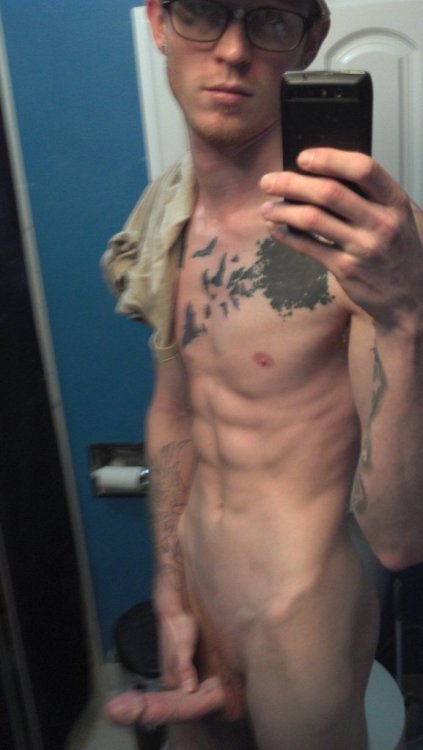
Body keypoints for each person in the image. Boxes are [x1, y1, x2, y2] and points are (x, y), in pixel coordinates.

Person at [102, 0, 423, 746]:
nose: (233, 50)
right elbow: (175, 409)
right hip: (199, 591)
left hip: (299, 617)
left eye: (270, 19)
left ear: (311, 40)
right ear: (158, 21)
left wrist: (406, 319)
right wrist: (169, 585)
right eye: (203, 11)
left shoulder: (364, 245)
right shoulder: (165, 214)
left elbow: (399, 536)